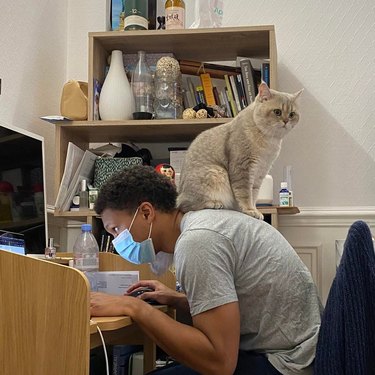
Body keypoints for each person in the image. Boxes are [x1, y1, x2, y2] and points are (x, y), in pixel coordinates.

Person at [90, 165, 323, 375]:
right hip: (298, 353)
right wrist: (181, 301)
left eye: (116, 230)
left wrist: (134, 307)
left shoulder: (197, 242)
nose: (117, 241)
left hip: (287, 364)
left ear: (147, 213)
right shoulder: (204, 224)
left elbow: (220, 364)